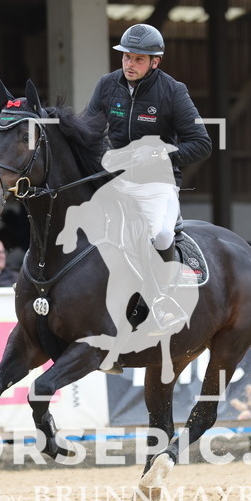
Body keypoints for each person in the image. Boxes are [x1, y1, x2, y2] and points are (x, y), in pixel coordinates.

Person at [85, 23, 212, 327]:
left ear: (156, 61)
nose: (130, 64)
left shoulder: (173, 91)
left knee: (162, 234)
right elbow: (87, 131)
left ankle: (161, 302)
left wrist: (160, 153)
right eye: (127, 57)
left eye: (138, 59)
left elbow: (202, 143)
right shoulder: (107, 85)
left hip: (158, 181)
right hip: (115, 178)